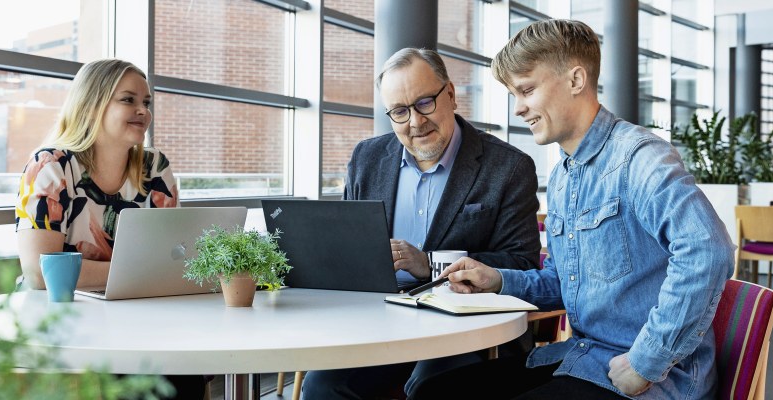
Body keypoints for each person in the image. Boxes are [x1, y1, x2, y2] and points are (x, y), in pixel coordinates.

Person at [410, 20, 735, 400]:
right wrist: (498, 280)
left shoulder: (640, 158)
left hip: (650, 378)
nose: (519, 109)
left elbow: (707, 251)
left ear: (576, 79)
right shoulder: (564, 175)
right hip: (584, 358)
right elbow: (565, 283)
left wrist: (646, 362)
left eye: (527, 90)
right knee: (433, 392)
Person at [301, 48, 542, 399]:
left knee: (428, 387)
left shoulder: (508, 167)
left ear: (450, 95)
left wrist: (428, 264)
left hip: (466, 325)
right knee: (322, 386)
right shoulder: (366, 158)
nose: (415, 122)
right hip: (376, 320)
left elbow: (521, 263)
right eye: (400, 111)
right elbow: (348, 251)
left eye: (424, 103)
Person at [15, 58, 201, 400]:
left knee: (186, 372)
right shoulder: (51, 166)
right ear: (92, 102)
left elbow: (174, 259)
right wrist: (138, 275)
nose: (142, 110)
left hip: (136, 317)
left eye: (146, 102)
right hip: (62, 322)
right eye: (128, 99)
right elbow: (39, 273)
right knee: (155, 380)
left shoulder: (155, 168)